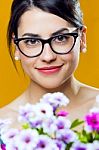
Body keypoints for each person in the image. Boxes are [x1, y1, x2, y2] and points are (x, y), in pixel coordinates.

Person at [0, 0, 99, 128]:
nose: (48, 57)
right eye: (31, 41)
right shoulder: (3, 126)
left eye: (60, 38)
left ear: (82, 39)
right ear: (16, 47)